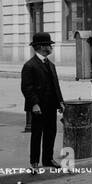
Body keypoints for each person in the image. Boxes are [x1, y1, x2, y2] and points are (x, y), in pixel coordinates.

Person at [20, 32, 65, 171]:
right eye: (48, 45)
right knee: (37, 133)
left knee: (51, 132)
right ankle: (34, 161)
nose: (51, 47)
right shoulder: (30, 66)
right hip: (38, 107)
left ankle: (48, 159)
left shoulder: (50, 64)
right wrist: (34, 104)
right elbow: (26, 88)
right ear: (40, 47)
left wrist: (61, 102)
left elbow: (55, 85)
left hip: (51, 105)